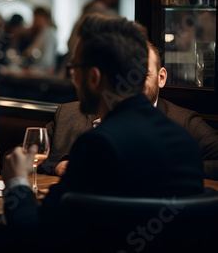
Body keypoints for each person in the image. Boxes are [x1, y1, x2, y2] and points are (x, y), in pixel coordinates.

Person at [2, 14, 204, 250]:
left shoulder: (97, 146)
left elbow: (35, 237)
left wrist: (16, 182)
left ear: (94, 77)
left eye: (74, 68)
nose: (72, 78)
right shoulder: (185, 143)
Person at [42, 41, 218, 179]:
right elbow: (22, 155)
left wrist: (166, 168)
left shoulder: (185, 122)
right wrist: (58, 163)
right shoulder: (69, 114)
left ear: (161, 78)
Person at [62, 0, 121, 73]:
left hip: (76, 72)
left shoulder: (88, 11)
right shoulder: (106, 16)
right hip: (89, 75)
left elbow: (70, 43)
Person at [22, 6, 58, 73]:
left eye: (35, 18)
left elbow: (47, 58)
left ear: (42, 17)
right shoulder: (42, 32)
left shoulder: (48, 32)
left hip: (44, 69)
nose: (34, 21)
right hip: (40, 68)